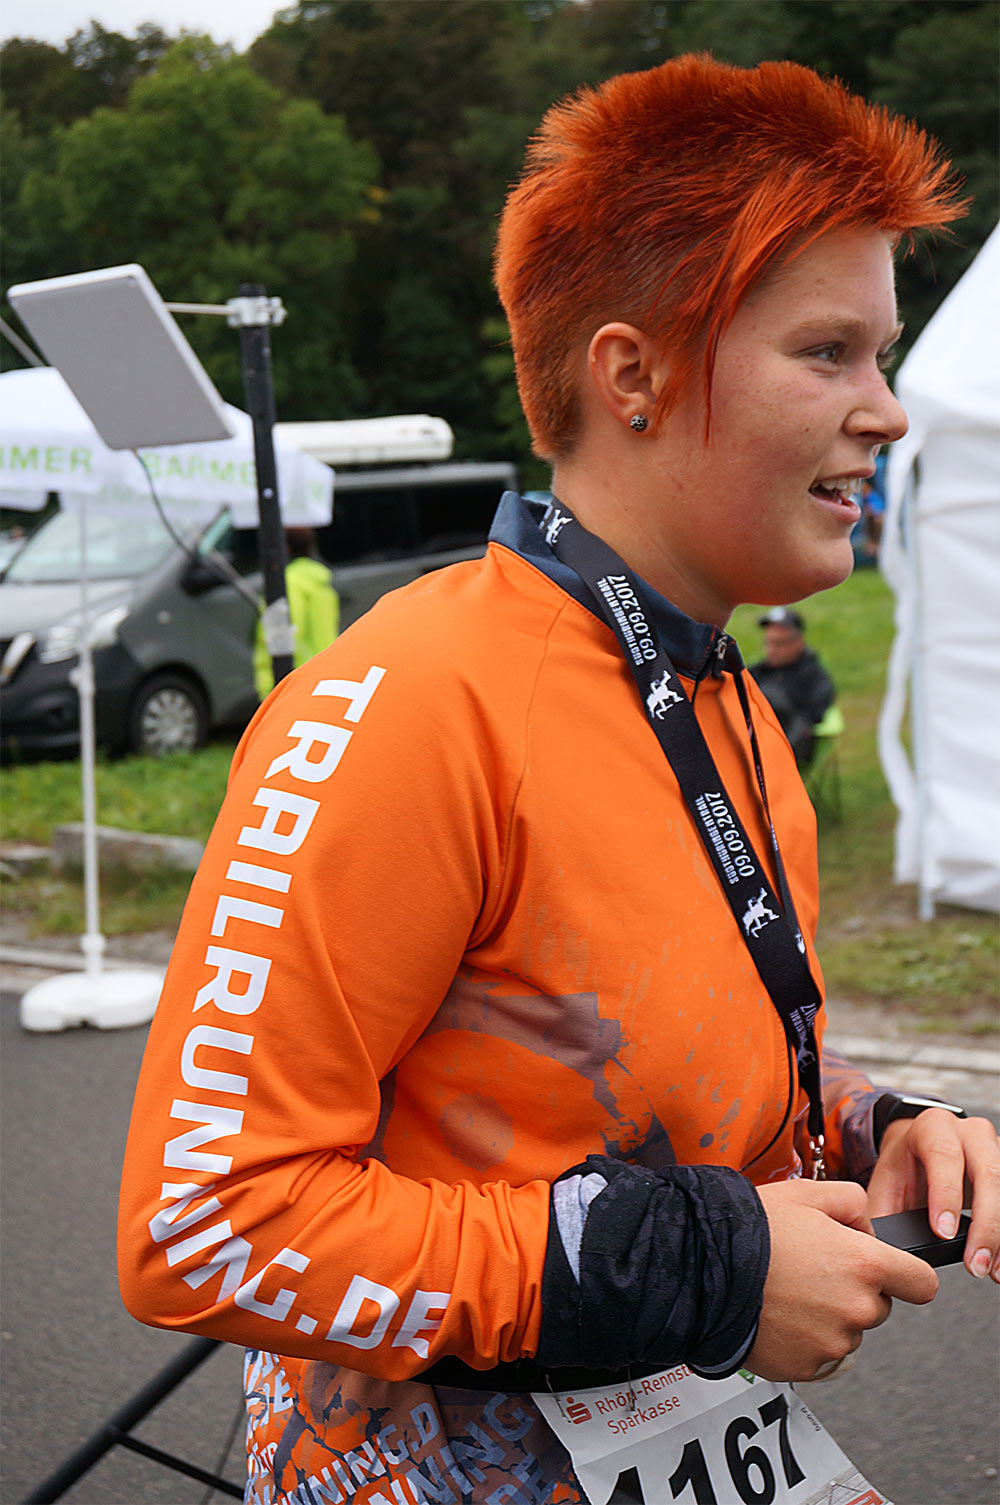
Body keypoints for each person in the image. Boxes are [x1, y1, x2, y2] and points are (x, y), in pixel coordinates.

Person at [118, 55, 1000, 1504]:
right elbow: (202, 1225)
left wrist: (875, 1127)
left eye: (883, 354)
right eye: (828, 353)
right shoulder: (405, 703)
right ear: (631, 375)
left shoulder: (729, 705)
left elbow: (650, 1070)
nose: (888, 411)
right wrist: (707, 1268)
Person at [253, 525, 340, 699]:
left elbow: (282, 636)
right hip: (324, 675)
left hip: (294, 684)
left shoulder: (287, 583)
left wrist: (268, 688)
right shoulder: (320, 581)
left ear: (284, 547)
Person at [749, 607, 836, 769]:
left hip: (789, 749)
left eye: (779, 643)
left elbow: (815, 715)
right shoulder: (756, 673)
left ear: (798, 642)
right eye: (768, 642)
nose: (772, 650)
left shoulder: (812, 676)